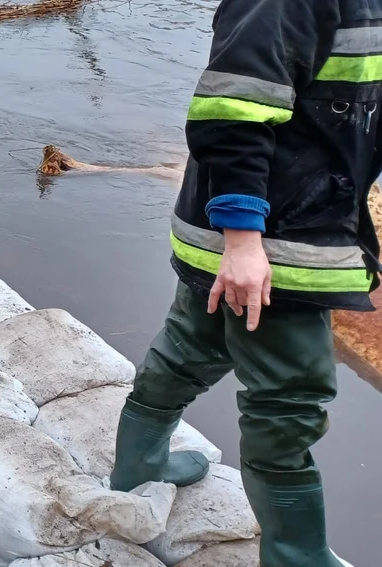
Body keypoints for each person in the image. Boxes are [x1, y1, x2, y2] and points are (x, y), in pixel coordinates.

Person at [109, 1, 379, 565]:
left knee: (191, 346)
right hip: (270, 241)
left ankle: (138, 469)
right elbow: (232, 107)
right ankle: (294, 553)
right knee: (290, 399)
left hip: (257, 228)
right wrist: (241, 241)